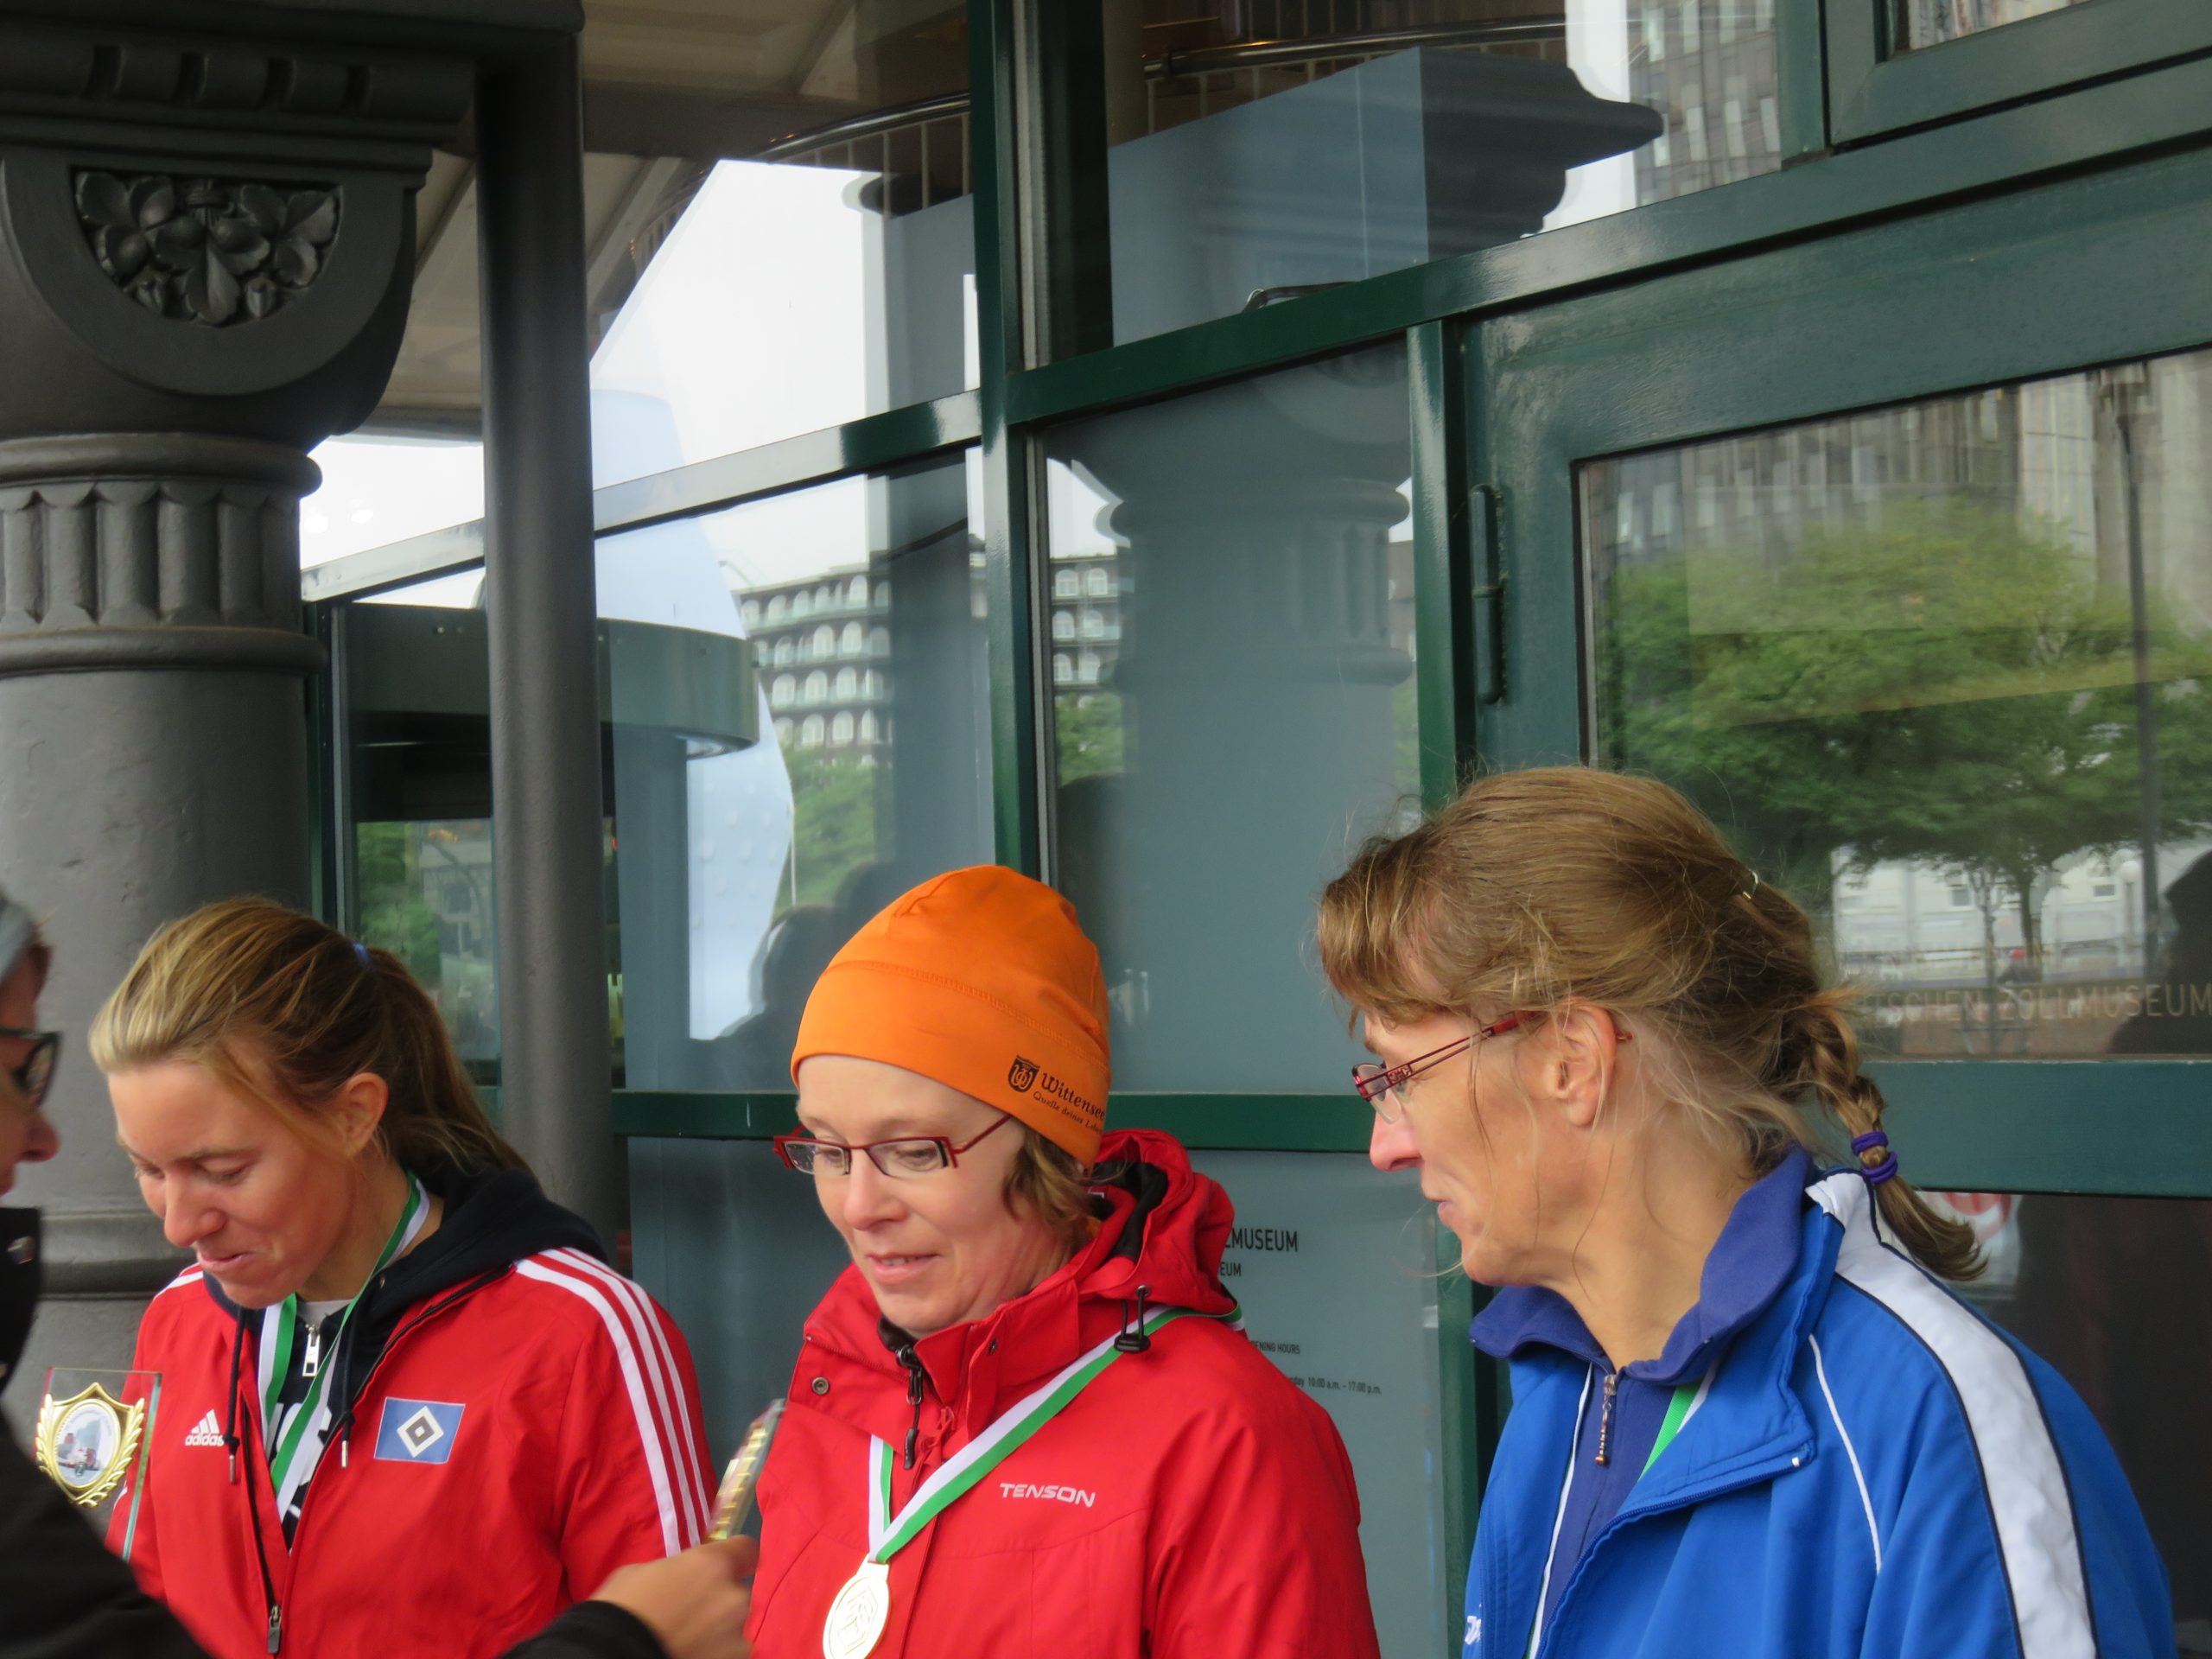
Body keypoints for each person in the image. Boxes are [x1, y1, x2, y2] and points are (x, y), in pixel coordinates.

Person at [1315, 767, 2175, 1659]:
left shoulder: (1937, 1433)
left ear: (1571, 1060)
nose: (1386, 1146)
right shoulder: (1563, 1389)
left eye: (1401, 1077)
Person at [0, 887, 754, 1659]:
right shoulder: (180, 1319)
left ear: (354, 1115)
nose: (179, 1224)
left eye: (222, 1170)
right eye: (149, 1170)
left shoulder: (584, 1329)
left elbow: (681, 1632)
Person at [743, 865, 1381, 1657]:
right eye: (829, 1150)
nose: (858, 1205)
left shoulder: (1226, 1441)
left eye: (913, 1151)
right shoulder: (837, 1389)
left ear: (1050, 1150)